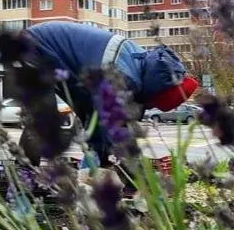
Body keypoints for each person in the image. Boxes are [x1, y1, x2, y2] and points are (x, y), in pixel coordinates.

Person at [15, 21, 198, 167]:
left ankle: (87, 171)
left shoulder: (142, 65)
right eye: (153, 104)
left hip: (62, 58)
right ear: (154, 94)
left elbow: (99, 124)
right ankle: (24, 183)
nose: (149, 107)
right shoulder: (123, 78)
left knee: (91, 121)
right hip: (35, 45)